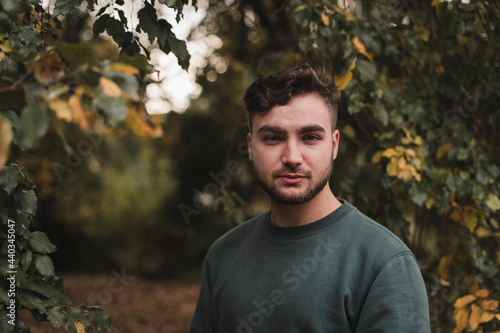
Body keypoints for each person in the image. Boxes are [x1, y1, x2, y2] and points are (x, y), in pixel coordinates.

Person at [190, 62, 430, 332]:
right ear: (250, 147)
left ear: (334, 145)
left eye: (310, 137)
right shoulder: (223, 255)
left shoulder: (383, 263)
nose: (292, 157)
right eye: (272, 138)